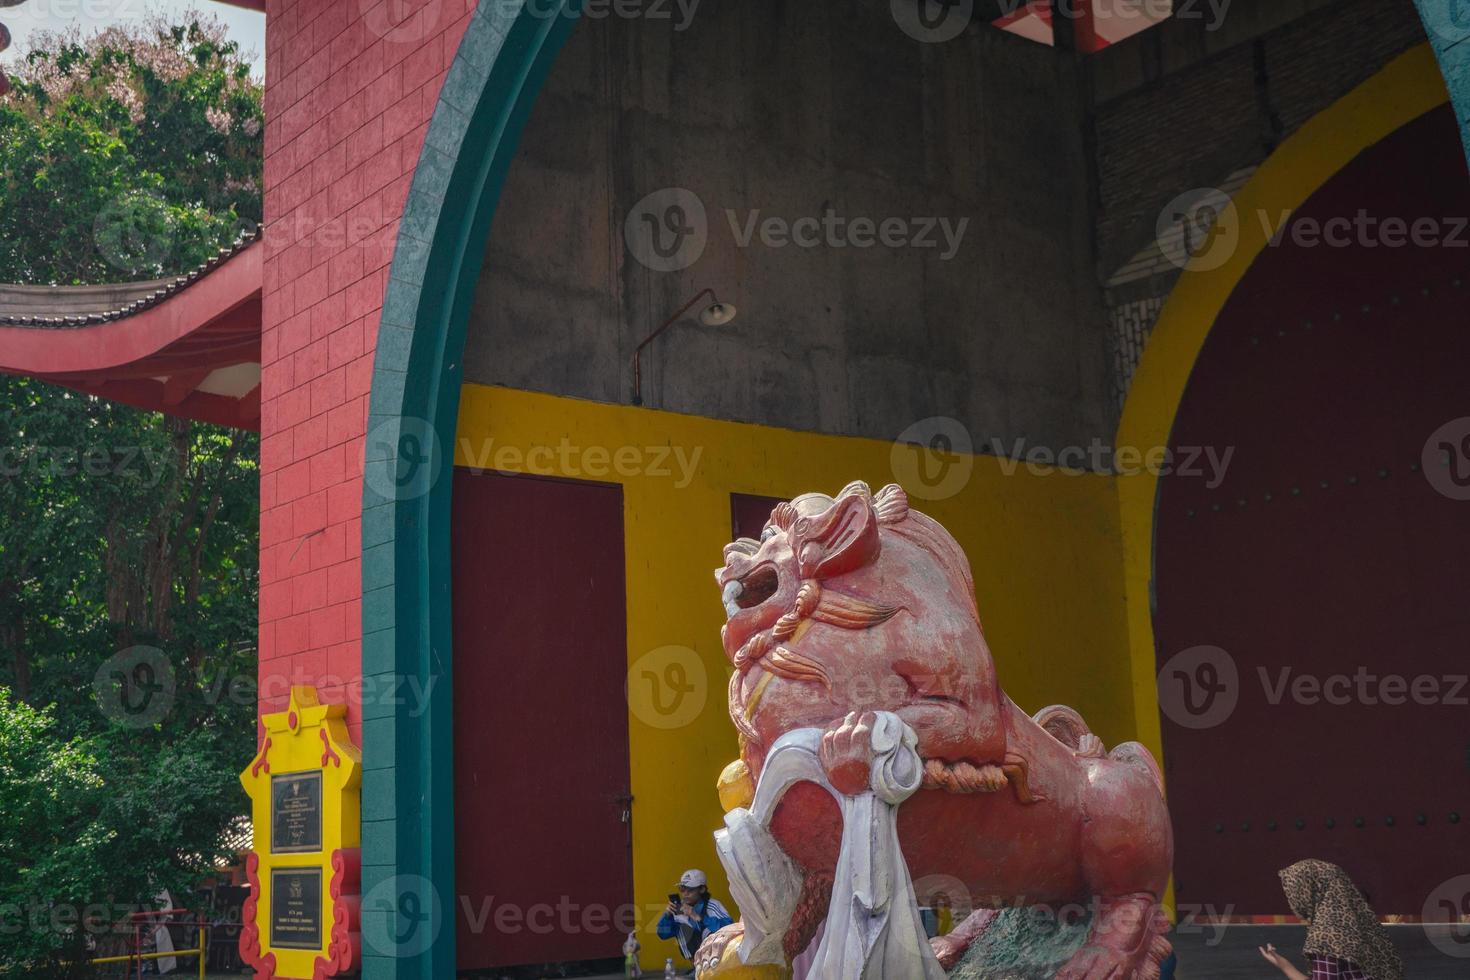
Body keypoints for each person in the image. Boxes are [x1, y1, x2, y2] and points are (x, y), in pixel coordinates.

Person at [1258, 859, 1404, 980]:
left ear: (1310, 890)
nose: (1292, 900)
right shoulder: (1363, 924)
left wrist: (1284, 966)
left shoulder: (1326, 935)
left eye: (1293, 891)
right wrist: (1284, 965)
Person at [656, 869, 734, 968]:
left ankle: (707, 963)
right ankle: (695, 966)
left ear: (701, 889)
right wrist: (667, 915)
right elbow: (662, 934)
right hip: (695, 963)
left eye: (690, 890)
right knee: (683, 927)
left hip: (717, 961)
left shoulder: (713, 905)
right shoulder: (678, 910)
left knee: (709, 930)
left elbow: (729, 930)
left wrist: (697, 917)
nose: (685, 894)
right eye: (682, 889)